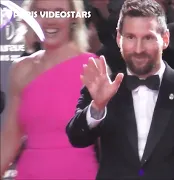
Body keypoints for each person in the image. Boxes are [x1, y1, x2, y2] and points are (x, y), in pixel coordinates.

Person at [66, 0, 174, 179]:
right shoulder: (104, 87)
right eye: (130, 37)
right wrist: (98, 107)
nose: (138, 49)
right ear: (119, 39)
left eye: (148, 38)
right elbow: (76, 137)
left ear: (165, 39)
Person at [0, 0, 99, 179]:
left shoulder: (93, 67)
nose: (50, 20)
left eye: (59, 12)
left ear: (72, 18)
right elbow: (9, 139)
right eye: (42, 12)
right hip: (30, 173)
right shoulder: (20, 70)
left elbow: (110, 142)